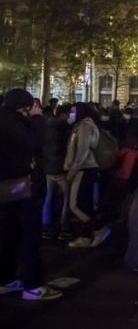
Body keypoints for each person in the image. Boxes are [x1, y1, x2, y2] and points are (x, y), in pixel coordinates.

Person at [0, 89, 62, 301]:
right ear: (24, 106)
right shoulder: (14, 122)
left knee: (8, 236)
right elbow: (33, 142)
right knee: (29, 237)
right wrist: (37, 118)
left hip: (5, 187)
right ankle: (33, 286)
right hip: (22, 187)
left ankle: (6, 279)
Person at [64, 103, 111, 249]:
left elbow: (82, 151)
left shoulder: (85, 126)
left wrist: (72, 171)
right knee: (84, 204)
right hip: (84, 168)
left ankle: (98, 229)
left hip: (84, 169)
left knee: (75, 205)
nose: (70, 114)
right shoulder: (83, 125)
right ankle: (85, 236)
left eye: (73, 111)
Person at [41, 103, 73, 241]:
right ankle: (64, 228)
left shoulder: (46, 125)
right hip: (61, 167)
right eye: (70, 113)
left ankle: (46, 227)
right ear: (63, 114)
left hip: (48, 166)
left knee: (49, 197)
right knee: (66, 198)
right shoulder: (65, 128)